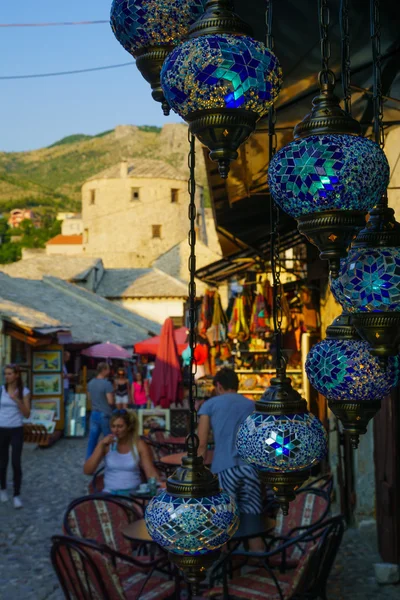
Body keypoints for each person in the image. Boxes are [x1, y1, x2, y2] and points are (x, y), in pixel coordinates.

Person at [197, 367, 264, 548]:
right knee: (253, 524)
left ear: (218, 385)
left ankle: (229, 570)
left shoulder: (209, 405)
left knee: (224, 524)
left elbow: (201, 443)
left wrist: (197, 472)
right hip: (250, 469)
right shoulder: (252, 405)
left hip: (224, 469)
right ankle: (259, 565)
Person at [84, 409, 160, 496]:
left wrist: (160, 484)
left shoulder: (139, 444)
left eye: (120, 426)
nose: (116, 430)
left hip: (134, 494)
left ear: (128, 427)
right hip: (109, 493)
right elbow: (87, 470)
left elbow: (150, 472)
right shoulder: (106, 444)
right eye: (113, 426)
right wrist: (101, 446)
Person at [0, 365, 31, 509]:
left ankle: (17, 495)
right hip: (2, 429)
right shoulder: (1, 390)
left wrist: (17, 400)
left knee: (16, 462)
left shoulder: (23, 391)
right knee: (2, 461)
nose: (7, 376)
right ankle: (3, 488)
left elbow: (27, 414)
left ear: (17, 375)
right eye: (5, 374)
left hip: (16, 429)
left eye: (10, 373)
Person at [86, 362, 114, 459]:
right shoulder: (107, 384)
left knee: (92, 439)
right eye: (108, 369)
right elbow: (110, 401)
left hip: (94, 413)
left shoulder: (90, 383)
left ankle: (88, 460)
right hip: (105, 413)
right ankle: (111, 461)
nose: (109, 371)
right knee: (109, 438)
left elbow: (89, 398)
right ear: (104, 370)